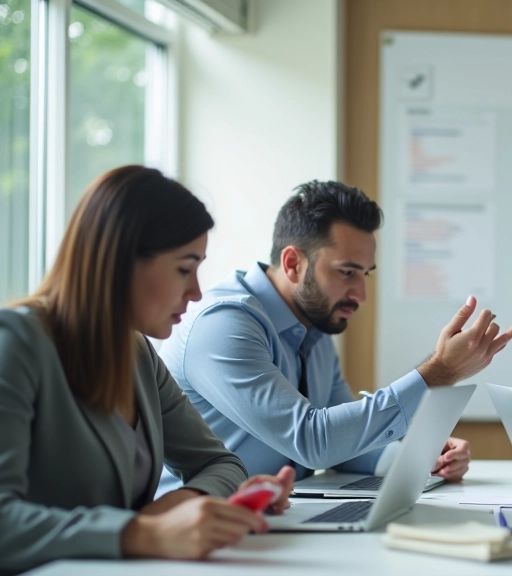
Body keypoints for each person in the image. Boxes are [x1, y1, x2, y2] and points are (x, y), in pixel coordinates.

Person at [0, 166, 293, 573]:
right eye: (184, 268)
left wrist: (178, 513)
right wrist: (142, 533)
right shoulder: (15, 343)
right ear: (120, 262)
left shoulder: (137, 352)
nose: (195, 292)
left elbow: (221, 465)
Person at [159, 180, 512, 491]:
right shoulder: (223, 325)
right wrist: (439, 372)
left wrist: (424, 456)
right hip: (194, 538)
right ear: (292, 264)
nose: (360, 294)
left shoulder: (313, 329)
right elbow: (313, 441)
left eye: (365, 274)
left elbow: (343, 444)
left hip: (274, 518)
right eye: (347, 272)